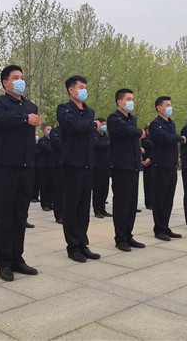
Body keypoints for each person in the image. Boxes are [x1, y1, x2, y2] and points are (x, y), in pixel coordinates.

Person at [0, 65, 41, 281]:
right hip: (4, 167)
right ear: (5, 83)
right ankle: (4, 262)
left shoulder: (31, 105)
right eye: (15, 77)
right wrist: (25, 119)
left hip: (26, 167)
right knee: (4, 216)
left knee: (20, 216)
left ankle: (17, 257)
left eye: (22, 77)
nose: (20, 80)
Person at [57, 75, 102, 263]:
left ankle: (83, 243)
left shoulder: (89, 111)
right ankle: (73, 246)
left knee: (84, 207)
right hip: (72, 164)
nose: (84, 90)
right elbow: (74, 126)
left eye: (85, 87)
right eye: (81, 87)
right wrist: (93, 125)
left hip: (87, 164)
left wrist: (91, 124)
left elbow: (86, 130)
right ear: (71, 90)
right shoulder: (64, 109)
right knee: (71, 206)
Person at [107, 89, 147, 251]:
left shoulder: (132, 119)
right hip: (120, 165)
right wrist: (140, 132)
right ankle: (120, 238)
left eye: (132, 99)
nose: (131, 102)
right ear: (119, 101)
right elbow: (129, 131)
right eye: (128, 99)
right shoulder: (114, 118)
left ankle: (128, 235)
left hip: (133, 165)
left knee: (131, 204)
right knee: (121, 203)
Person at [149, 96, 186, 241]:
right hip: (160, 166)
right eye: (167, 105)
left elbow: (172, 142)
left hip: (171, 165)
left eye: (170, 104)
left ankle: (165, 226)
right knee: (160, 198)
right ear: (159, 107)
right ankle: (159, 229)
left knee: (168, 198)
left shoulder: (171, 123)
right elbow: (166, 138)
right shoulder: (155, 124)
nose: (170, 107)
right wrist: (179, 138)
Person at [92, 118, 111, 219]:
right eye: (102, 124)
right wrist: (108, 143)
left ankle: (103, 208)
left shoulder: (105, 135)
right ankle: (97, 210)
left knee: (105, 188)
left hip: (106, 165)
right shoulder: (94, 135)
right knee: (98, 188)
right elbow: (97, 145)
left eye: (105, 124)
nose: (104, 126)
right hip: (97, 165)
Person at [37, 125, 54, 211]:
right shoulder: (42, 141)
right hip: (44, 166)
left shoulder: (53, 140)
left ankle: (50, 203)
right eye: (48, 129)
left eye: (50, 129)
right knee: (44, 186)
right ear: (44, 131)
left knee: (51, 186)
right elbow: (48, 149)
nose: (50, 131)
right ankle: (45, 204)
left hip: (52, 166)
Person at [49, 124, 63, 224]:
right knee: (58, 191)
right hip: (58, 164)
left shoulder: (70, 130)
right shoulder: (54, 132)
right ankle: (59, 215)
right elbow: (58, 144)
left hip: (68, 164)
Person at [141, 125, 153, 210]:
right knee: (148, 184)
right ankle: (149, 202)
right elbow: (151, 146)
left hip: (153, 162)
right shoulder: (145, 139)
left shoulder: (153, 137)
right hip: (147, 164)